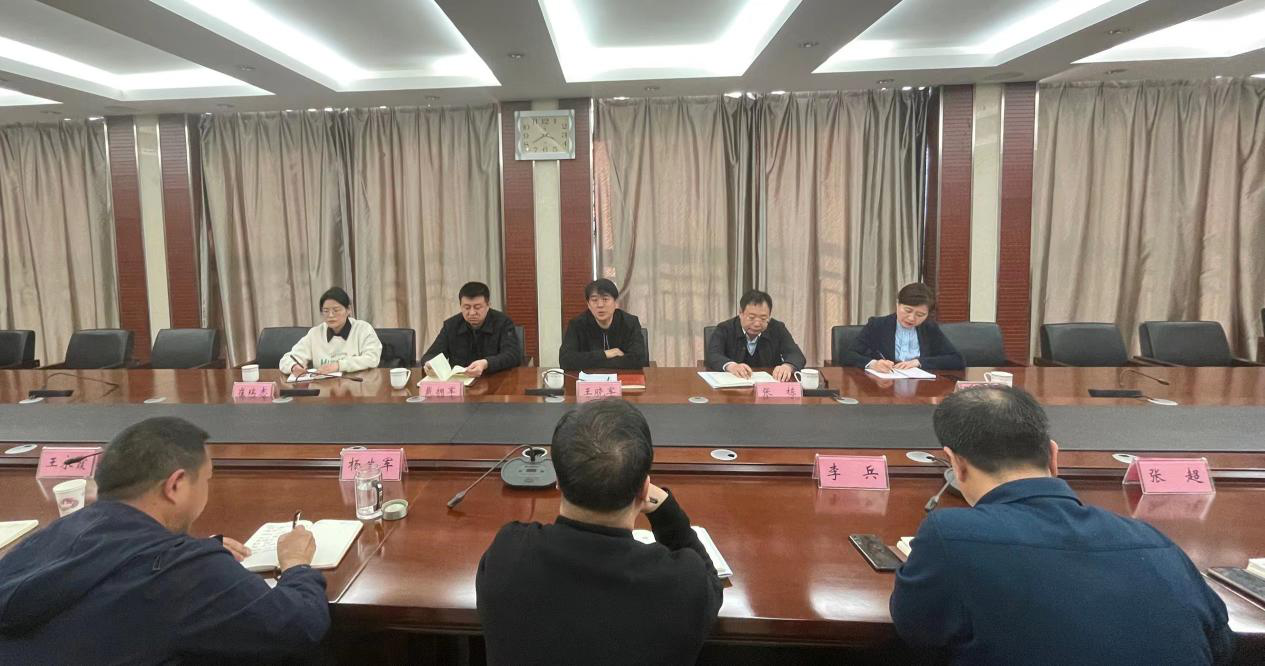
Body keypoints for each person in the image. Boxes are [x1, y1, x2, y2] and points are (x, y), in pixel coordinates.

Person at [889, 386, 1233, 665]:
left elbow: (917, 632)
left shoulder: (950, 535)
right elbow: (1220, 644)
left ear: (956, 465)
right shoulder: (1153, 541)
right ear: (1054, 456)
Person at [0, 417, 328, 663]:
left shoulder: (49, 537)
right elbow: (299, 625)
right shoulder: (183, 573)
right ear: (176, 485)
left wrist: (193, 551)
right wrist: (296, 564)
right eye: (207, 479)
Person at [476, 399, 723, 665]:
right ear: (644, 490)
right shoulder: (683, 584)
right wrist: (666, 513)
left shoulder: (508, 554)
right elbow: (711, 580)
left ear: (557, 480)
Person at [844, 282, 964, 371]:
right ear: (897, 304)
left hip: (921, 387)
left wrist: (919, 362)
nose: (911, 318)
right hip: (884, 385)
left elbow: (957, 360)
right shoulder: (877, 325)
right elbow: (848, 355)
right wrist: (873, 364)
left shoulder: (929, 329)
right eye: (908, 310)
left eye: (920, 315)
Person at [421, 281, 522, 377]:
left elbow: (513, 355)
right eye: (467, 307)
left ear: (488, 305)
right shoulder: (451, 325)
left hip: (495, 380)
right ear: (460, 306)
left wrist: (486, 363)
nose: (472, 313)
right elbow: (431, 354)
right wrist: (430, 364)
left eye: (477, 307)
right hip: (461, 382)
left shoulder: (503, 322)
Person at [705, 289, 806, 382]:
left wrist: (788, 366)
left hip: (768, 387)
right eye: (751, 317)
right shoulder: (725, 328)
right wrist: (731, 366)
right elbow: (713, 354)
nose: (757, 324)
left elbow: (796, 354)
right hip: (732, 387)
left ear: (769, 316)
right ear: (741, 313)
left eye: (763, 318)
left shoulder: (777, 328)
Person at [281, 286, 382, 376]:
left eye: (336, 310)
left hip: (357, 386)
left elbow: (372, 358)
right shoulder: (315, 333)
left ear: (348, 310)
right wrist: (294, 367)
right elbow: (287, 359)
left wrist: (339, 365)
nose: (330, 315)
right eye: (326, 311)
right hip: (323, 388)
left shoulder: (363, 329)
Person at [558, 279, 648, 370]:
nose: (600, 305)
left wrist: (592, 361)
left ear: (616, 303)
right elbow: (565, 361)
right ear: (588, 304)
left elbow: (638, 359)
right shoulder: (577, 325)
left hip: (623, 377)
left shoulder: (630, 322)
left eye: (605, 299)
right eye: (594, 300)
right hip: (589, 378)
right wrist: (606, 354)